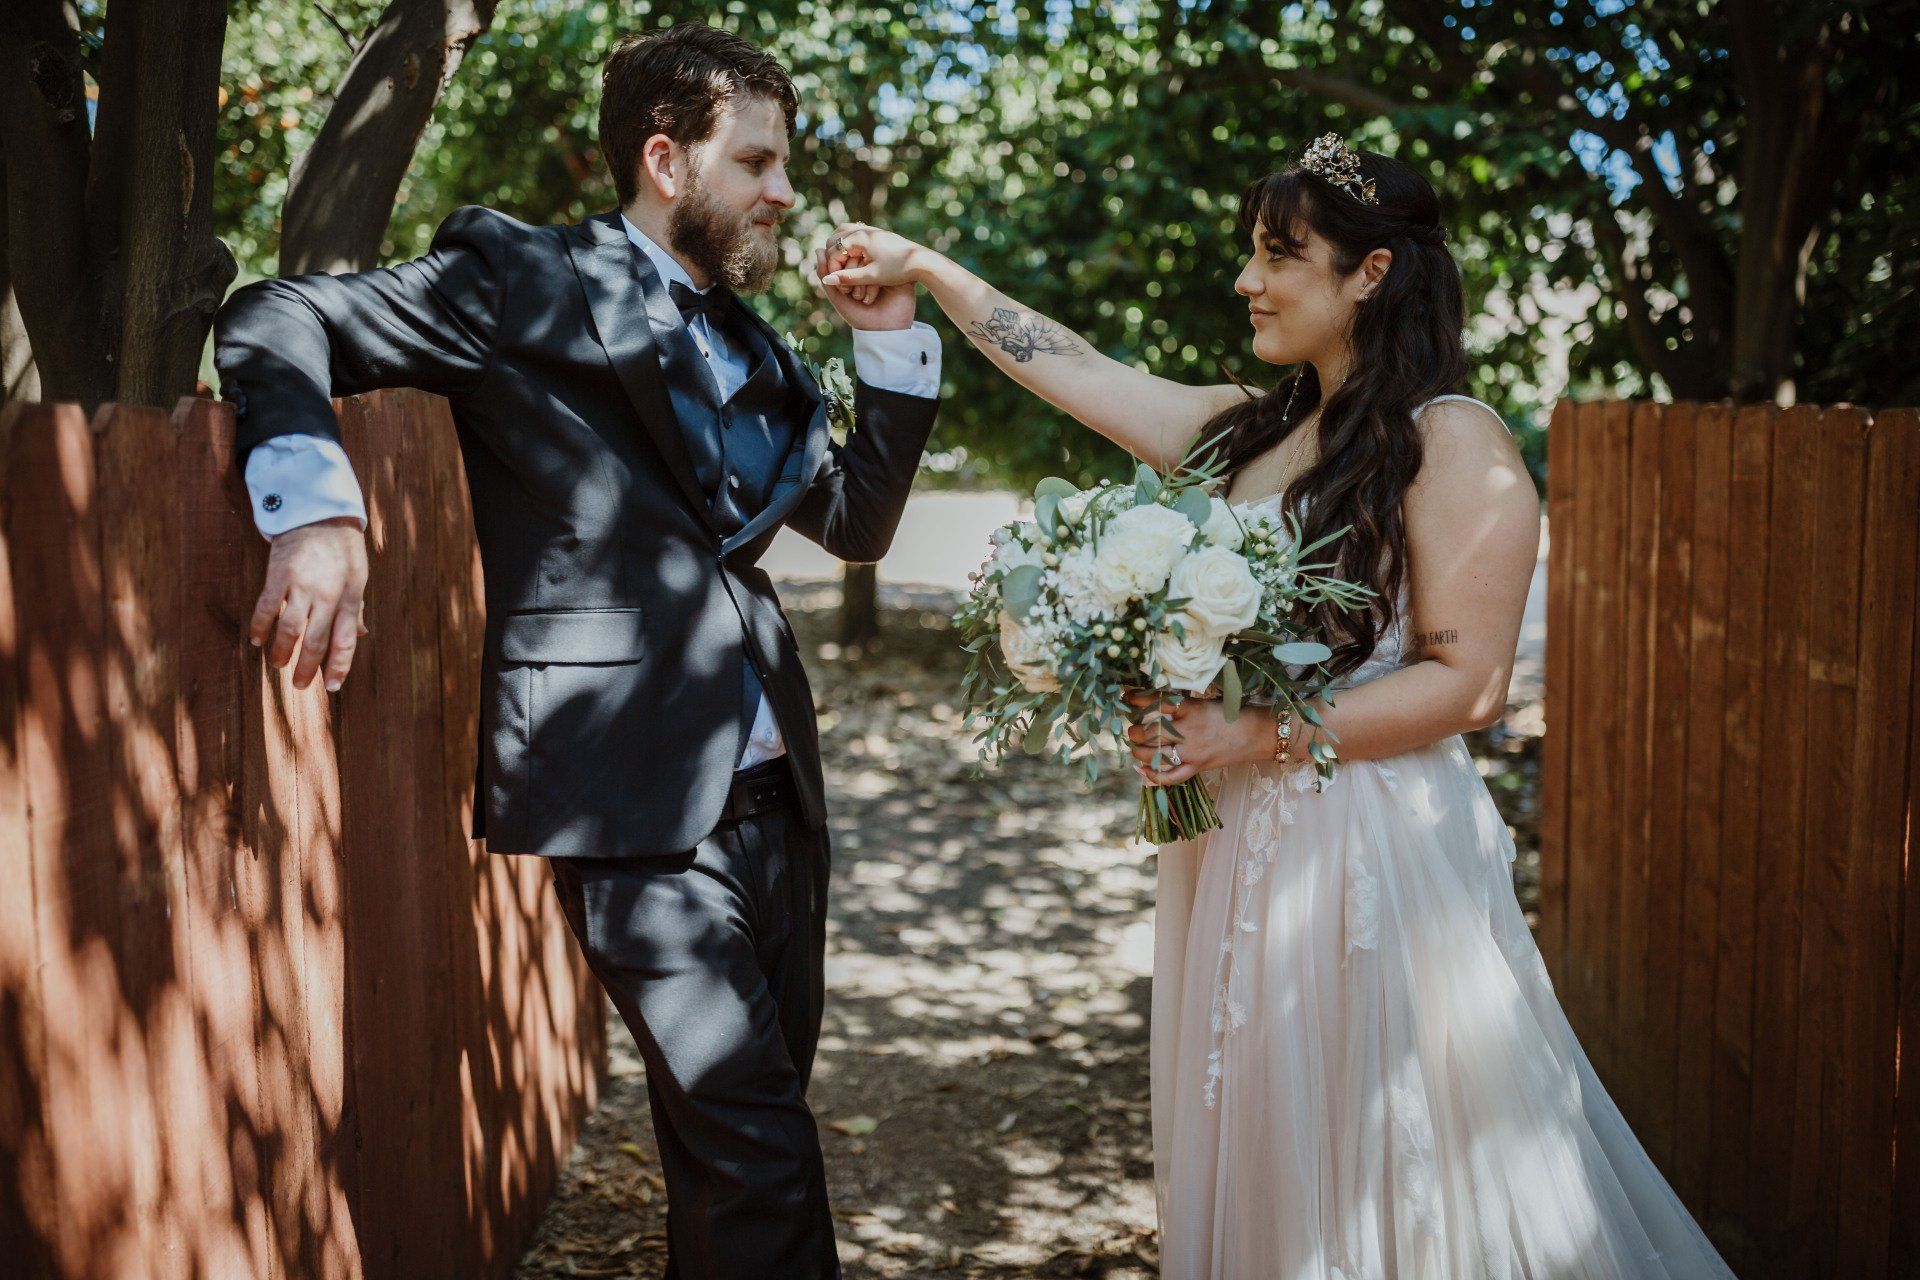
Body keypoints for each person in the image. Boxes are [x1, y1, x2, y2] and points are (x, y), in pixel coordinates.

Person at [816, 135, 1740, 1277]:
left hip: (1369, 847)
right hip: (1232, 838)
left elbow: (1470, 683)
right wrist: (929, 271)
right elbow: (1075, 366)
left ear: (1371, 272)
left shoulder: (1454, 439)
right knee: (1258, 1127)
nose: (1247, 279)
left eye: (1278, 254)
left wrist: (1253, 731)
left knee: (1375, 1147)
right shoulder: (1241, 428)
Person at [213, 24, 942, 1280]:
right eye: (758, 161)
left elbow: (855, 523)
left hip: (780, 804)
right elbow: (278, 313)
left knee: (733, 1143)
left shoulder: (758, 348)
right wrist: (316, 510)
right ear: (666, 160)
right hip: (632, 809)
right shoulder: (521, 279)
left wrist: (887, 344)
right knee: (761, 1150)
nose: (786, 192)